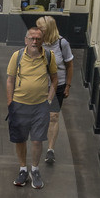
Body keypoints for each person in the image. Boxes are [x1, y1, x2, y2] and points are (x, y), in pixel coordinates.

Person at [6, 23, 57, 190]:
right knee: (20, 139)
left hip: (40, 106)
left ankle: (34, 170)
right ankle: (23, 169)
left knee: (37, 140)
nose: (35, 41)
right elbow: (10, 80)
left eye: (38, 39)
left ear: (42, 41)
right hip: (19, 105)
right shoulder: (17, 56)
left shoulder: (48, 56)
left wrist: (49, 100)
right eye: (32, 38)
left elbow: (55, 79)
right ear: (26, 40)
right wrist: (10, 102)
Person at [38, 12, 73, 167]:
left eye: (42, 29)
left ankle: (50, 149)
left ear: (50, 29)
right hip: (39, 86)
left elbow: (69, 65)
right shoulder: (36, 42)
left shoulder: (62, 44)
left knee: (53, 116)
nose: (39, 31)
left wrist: (68, 86)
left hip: (57, 85)